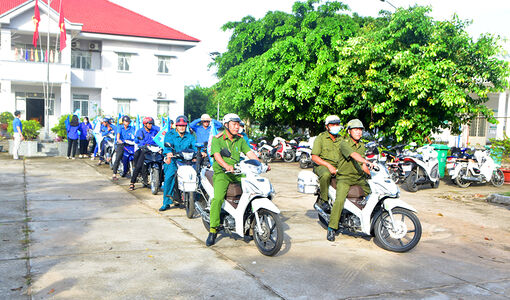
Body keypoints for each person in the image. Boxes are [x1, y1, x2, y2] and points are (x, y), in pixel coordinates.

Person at [206, 113, 263, 246]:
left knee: (253, 190)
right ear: (226, 125)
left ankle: (248, 225)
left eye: (238, 124)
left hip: (238, 171)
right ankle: (213, 230)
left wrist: (260, 164)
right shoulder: (217, 139)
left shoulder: (240, 139)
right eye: (234, 124)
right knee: (218, 198)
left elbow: (249, 153)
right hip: (222, 172)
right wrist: (226, 166)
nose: (237, 127)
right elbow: (217, 156)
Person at [327, 119, 374, 242]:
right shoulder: (344, 143)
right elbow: (354, 155)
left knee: (373, 193)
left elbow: (362, 164)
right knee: (340, 200)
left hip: (358, 177)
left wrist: (371, 174)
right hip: (345, 177)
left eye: (360, 130)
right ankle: (332, 228)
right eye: (356, 130)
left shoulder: (362, 145)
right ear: (349, 131)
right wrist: (366, 161)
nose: (359, 132)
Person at [160, 115, 198, 211]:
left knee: (196, 175)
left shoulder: (190, 136)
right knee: (169, 176)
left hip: (186, 160)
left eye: (184, 125)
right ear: (176, 126)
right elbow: (167, 147)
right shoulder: (170, 134)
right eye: (180, 125)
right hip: (173, 159)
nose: (182, 127)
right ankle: (166, 202)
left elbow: (195, 147)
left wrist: (199, 153)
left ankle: (194, 199)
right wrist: (168, 153)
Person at [311, 115, 343, 212]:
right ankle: (324, 199)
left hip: (338, 165)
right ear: (327, 126)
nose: (335, 126)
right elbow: (314, 157)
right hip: (322, 165)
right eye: (332, 124)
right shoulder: (320, 138)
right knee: (326, 174)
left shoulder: (342, 139)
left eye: (337, 124)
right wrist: (329, 166)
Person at [129, 117, 159, 191]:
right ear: (145, 124)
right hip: (144, 150)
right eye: (148, 123)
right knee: (138, 166)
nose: (150, 125)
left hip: (154, 149)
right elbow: (137, 140)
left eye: (151, 123)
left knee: (161, 162)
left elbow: (159, 138)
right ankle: (132, 182)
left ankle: (159, 180)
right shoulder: (140, 131)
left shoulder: (154, 131)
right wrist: (143, 144)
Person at [112, 116, 135, 181]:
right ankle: (114, 174)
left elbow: (134, 135)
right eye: (126, 121)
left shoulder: (131, 128)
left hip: (129, 144)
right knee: (118, 157)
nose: (127, 123)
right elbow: (118, 135)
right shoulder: (120, 127)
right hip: (121, 144)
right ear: (123, 122)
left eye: (128, 122)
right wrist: (119, 140)